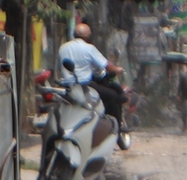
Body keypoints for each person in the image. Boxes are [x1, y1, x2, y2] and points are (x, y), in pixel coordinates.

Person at [56, 21, 132, 150]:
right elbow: (106, 65)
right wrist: (117, 69)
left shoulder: (63, 47)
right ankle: (116, 127)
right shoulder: (89, 48)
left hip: (67, 87)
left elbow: (59, 67)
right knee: (113, 95)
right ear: (87, 36)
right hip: (84, 86)